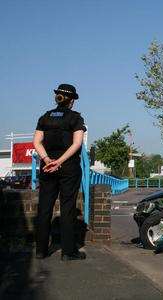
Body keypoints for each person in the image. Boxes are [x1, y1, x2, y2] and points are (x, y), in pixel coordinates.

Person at [33, 83, 87, 261]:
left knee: (44, 208)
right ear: (71, 101)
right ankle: (68, 252)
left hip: (47, 167)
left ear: (57, 98)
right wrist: (60, 162)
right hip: (68, 167)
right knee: (68, 208)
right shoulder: (75, 118)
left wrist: (48, 160)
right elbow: (77, 144)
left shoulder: (45, 117)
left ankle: (41, 251)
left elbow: (37, 142)